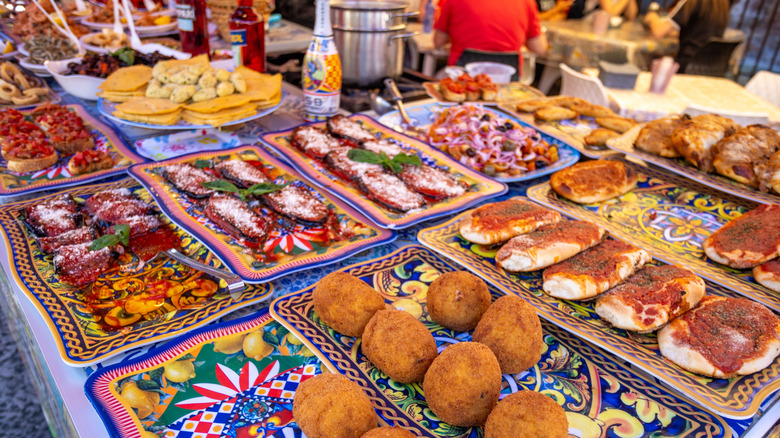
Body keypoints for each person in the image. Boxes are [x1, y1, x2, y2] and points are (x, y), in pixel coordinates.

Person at [433, 0, 548, 70]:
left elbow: (438, 41)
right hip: (507, 83)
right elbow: (540, 48)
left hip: (462, 82)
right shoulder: (527, 2)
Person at [643, 0, 734, 71]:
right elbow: (699, 31)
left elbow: (659, 32)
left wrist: (652, 17)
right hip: (713, 67)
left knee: (646, 62)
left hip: (687, 64)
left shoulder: (691, 1)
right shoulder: (722, 4)